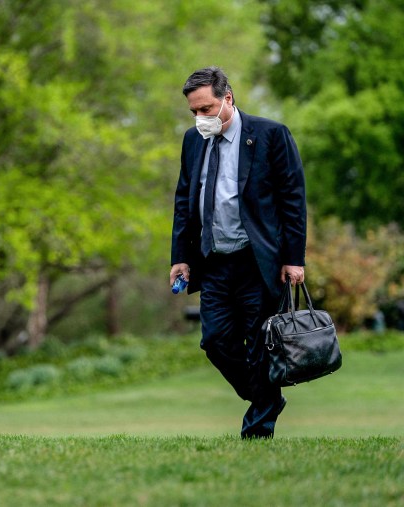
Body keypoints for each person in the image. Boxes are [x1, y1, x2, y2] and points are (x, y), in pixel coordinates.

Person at [169, 66, 307, 438]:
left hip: (258, 261)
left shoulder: (270, 135)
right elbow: (185, 200)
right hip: (213, 261)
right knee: (215, 341)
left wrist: (294, 258)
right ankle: (266, 396)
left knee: (261, 344)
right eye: (194, 111)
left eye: (207, 108)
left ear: (228, 98)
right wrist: (180, 257)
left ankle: (258, 430)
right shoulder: (192, 140)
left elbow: (293, 200)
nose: (201, 118)